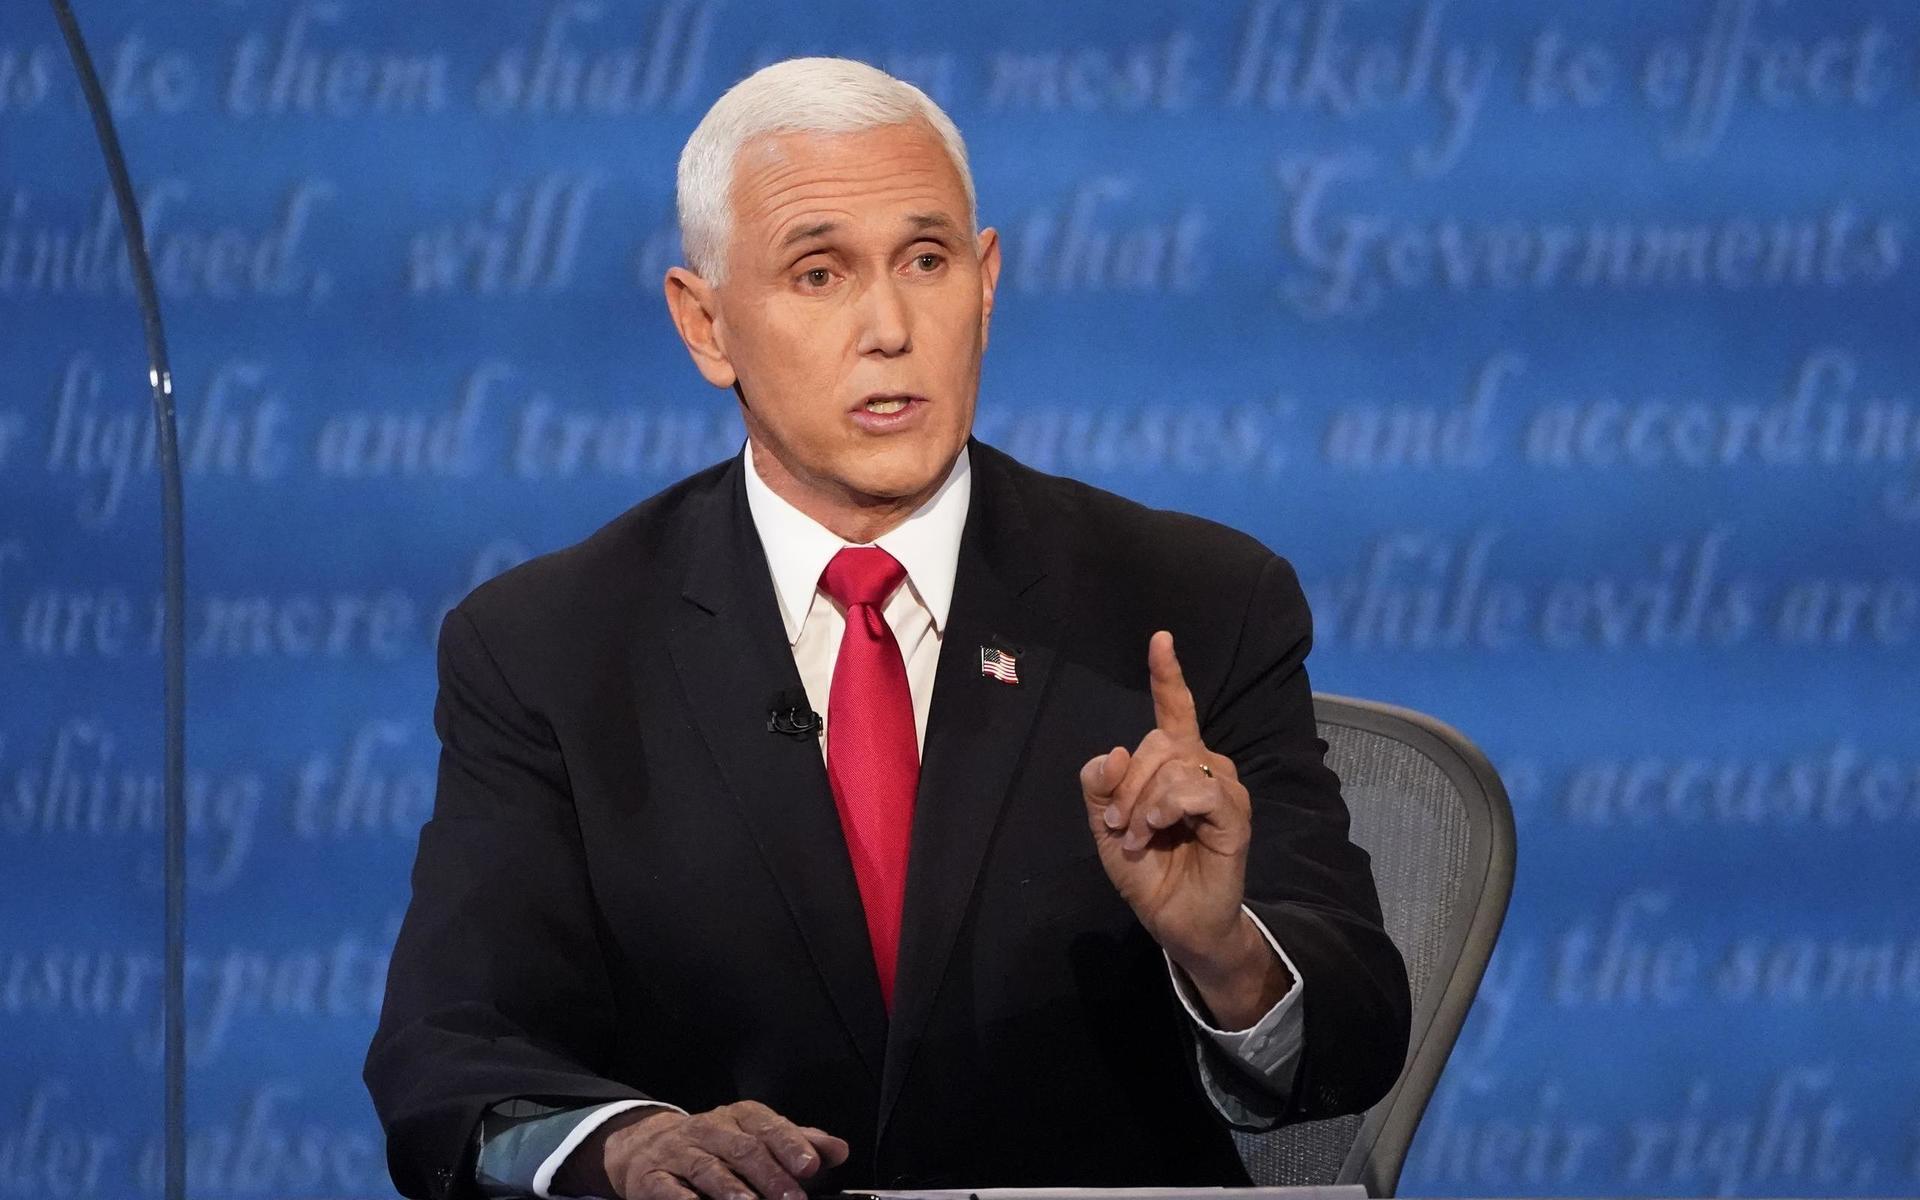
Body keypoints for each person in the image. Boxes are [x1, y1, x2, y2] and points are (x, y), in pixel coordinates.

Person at [364, 56, 1410, 1200]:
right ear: (705, 325)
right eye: (818, 273)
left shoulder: (1194, 603)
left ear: (988, 281)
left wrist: (1226, 954)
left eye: (926, 260)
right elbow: (448, 1057)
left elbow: (1356, 1037)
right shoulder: (549, 649)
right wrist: (625, 1144)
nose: (890, 327)